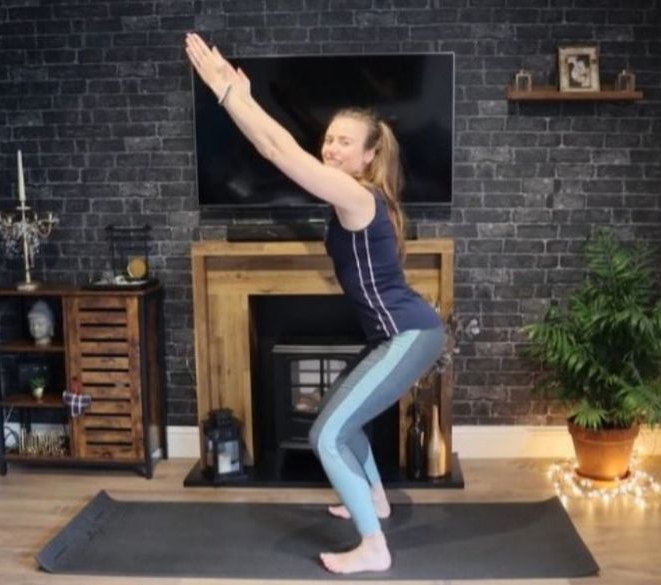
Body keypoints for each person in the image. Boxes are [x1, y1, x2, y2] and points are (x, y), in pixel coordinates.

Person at [185, 33, 445, 574]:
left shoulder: (358, 196)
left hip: (409, 334)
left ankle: (373, 547)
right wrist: (250, 100)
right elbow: (284, 142)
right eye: (328, 139)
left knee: (326, 433)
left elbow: (278, 150)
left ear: (370, 155)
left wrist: (229, 96)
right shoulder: (354, 196)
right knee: (343, 417)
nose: (330, 148)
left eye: (344, 142)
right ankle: (375, 501)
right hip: (396, 336)